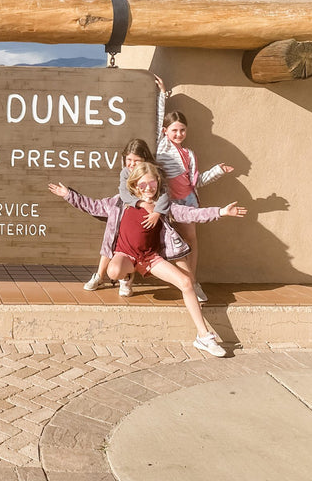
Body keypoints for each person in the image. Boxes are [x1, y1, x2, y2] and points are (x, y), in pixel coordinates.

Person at [48, 161, 246, 357]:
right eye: (143, 184)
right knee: (114, 271)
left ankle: (203, 336)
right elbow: (93, 206)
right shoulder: (120, 202)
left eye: (153, 184)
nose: (149, 188)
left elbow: (191, 213)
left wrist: (221, 212)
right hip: (124, 255)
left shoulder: (163, 207)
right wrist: (68, 195)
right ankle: (126, 277)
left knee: (186, 282)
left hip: (150, 258)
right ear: (134, 185)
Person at [153, 75, 234, 303]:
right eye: (175, 130)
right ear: (166, 131)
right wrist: (162, 94)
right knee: (172, 244)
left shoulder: (189, 154)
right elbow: (158, 118)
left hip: (189, 201)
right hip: (171, 203)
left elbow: (195, 182)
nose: (179, 134)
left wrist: (217, 171)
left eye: (182, 131)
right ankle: (185, 283)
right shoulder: (162, 147)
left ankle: (192, 282)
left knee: (191, 242)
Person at [83, 138, 170, 296]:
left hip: (145, 217)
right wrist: (141, 204)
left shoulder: (152, 172)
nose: (131, 164)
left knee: (137, 243)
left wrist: (157, 212)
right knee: (111, 241)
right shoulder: (125, 172)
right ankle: (101, 275)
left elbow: (164, 195)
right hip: (129, 209)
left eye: (136, 161)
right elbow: (124, 194)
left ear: (145, 160)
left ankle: (127, 277)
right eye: (128, 159)